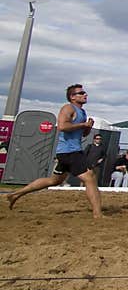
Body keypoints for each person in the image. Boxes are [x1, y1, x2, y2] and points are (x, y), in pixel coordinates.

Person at [4, 84, 102, 218]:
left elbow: (83, 134)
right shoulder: (68, 108)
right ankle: (97, 214)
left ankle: (15, 194)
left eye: (85, 93)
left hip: (70, 151)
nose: (85, 95)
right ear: (72, 97)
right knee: (90, 178)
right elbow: (62, 126)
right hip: (69, 151)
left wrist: (88, 127)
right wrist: (83, 124)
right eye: (81, 93)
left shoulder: (82, 112)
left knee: (54, 181)